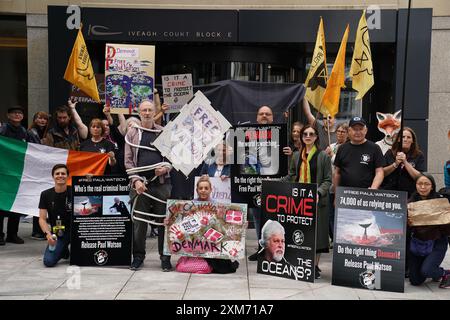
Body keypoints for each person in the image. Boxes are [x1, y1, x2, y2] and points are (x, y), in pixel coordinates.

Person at [125, 100, 173, 271]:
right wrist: (136, 181)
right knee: (139, 222)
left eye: (150, 110)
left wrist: (165, 168)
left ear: (155, 112)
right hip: (140, 185)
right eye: (144, 110)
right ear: (139, 112)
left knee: (164, 222)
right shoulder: (132, 133)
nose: (146, 113)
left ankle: (165, 258)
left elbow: (172, 157)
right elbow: (128, 161)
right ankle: (138, 256)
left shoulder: (163, 132)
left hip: (161, 184)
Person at [287, 124, 332, 279]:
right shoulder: (296, 155)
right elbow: (292, 176)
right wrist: (274, 182)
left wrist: (318, 192)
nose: (307, 136)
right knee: (302, 233)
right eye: (305, 134)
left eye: (311, 134)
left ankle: (315, 266)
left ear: (316, 137)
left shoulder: (323, 156)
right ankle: (303, 264)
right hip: (299, 201)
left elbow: (328, 180)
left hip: (318, 201)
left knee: (317, 235)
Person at [247, 105, 291, 261]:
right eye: (261, 114)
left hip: (276, 184)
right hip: (254, 185)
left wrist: (290, 154)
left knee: (274, 217)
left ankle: (276, 250)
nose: (264, 116)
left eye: (268, 114)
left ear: (272, 117)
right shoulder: (248, 135)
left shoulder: (281, 135)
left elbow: (292, 161)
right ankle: (261, 248)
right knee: (258, 217)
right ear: (257, 118)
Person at [0, 106, 39, 245]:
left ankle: (12, 234)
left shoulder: (25, 131)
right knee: (2, 204)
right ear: (8, 115)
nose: (17, 115)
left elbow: (36, 147)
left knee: (17, 204)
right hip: (4, 173)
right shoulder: (3, 129)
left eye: (20, 113)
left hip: (18, 173)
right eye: (14, 113)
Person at [407, 173, 450, 288]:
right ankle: (433, 270)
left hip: (437, 242)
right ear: (415, 185)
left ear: (432, 186)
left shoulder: (440, 201)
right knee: (415, 280)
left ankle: (445, 274)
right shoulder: (410, 202)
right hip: (418, 243)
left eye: (426, 184)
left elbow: (447, 230)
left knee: (427, 271)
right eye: (419, 184)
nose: (423, 187)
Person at [334, 116, 385, 190]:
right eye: (355, 129)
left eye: (361, 129)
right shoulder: (342, 148)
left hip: (366, 195)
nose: (358, 132)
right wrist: (337, 194)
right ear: (349, 131)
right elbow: (337, 173)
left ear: (366, 130)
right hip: (345, 195)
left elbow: (379, 172)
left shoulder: (375, 148)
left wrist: (374, 188)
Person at [38, 164, 72, 267]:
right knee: (48, 261)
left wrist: (90, 179)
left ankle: (64, 250)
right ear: (53, 176)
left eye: (63, 173)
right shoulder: (45, 194)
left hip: (75, 233)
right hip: (58, 233)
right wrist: (48, 234)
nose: (60, 176)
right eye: (57, 174)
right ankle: (63, 250)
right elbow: (42, 219)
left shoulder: (75, 190)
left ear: (67, 176)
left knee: (80, 260)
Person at [383, 127, 425, 198]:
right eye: (403, 137)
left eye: (409, 137)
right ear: (399, 139)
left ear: (412, 141)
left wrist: (405, 162)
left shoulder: (418, 155)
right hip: (390, 193)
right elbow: (382, 173)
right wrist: (395, 164)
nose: (405, 139)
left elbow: (419, 177)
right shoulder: (390, 153)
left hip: (410, 194)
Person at [28, 111, 51, 240]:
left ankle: (41, 229)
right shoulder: (31, 132)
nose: (42, 121)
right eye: (39, 118)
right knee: (37, 199)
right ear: (34, 119)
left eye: (44, 119)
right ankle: (37, 230)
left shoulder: (47, 132)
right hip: (35, 170)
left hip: (44, 169)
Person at [326, 122, 349, 242]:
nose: (340, 134)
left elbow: (341, 164)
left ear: (347, 134)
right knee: (330, 214)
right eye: (338, 131)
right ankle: (333, 237)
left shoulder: (348, 147)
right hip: (330, 185)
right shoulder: (331, 145)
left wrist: (332, 155)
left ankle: (339, 239)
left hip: (342, 185)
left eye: (343, 131)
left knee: (340, 214)